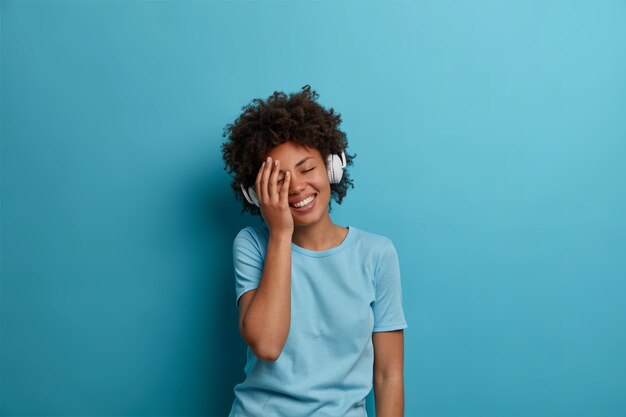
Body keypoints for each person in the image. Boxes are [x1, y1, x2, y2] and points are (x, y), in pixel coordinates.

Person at [220, 85, 408, 417]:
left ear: (332, 167)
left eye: (307, 169)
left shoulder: (377, 254)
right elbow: (267, 344)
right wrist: (280, 232)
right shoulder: (251, 245)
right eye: (277, 181)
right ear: (256, 194)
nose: (296, 187)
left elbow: (388, 375)